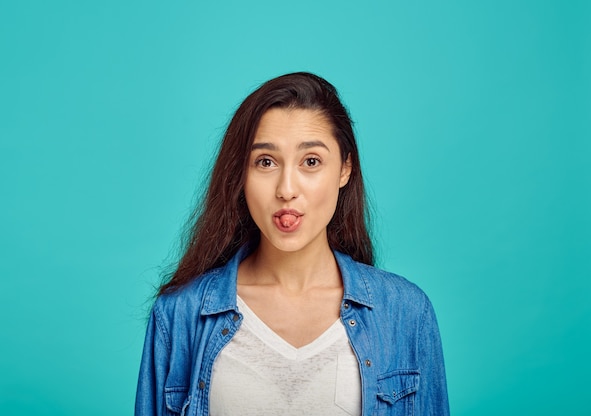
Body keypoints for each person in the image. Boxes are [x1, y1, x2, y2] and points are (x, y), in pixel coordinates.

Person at [135, 72, 449, 415]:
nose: (286, 189)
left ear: (345, 169)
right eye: (266, 162)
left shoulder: (406, 312)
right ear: (242, 174)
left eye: (311, 161)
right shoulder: (180, 313)